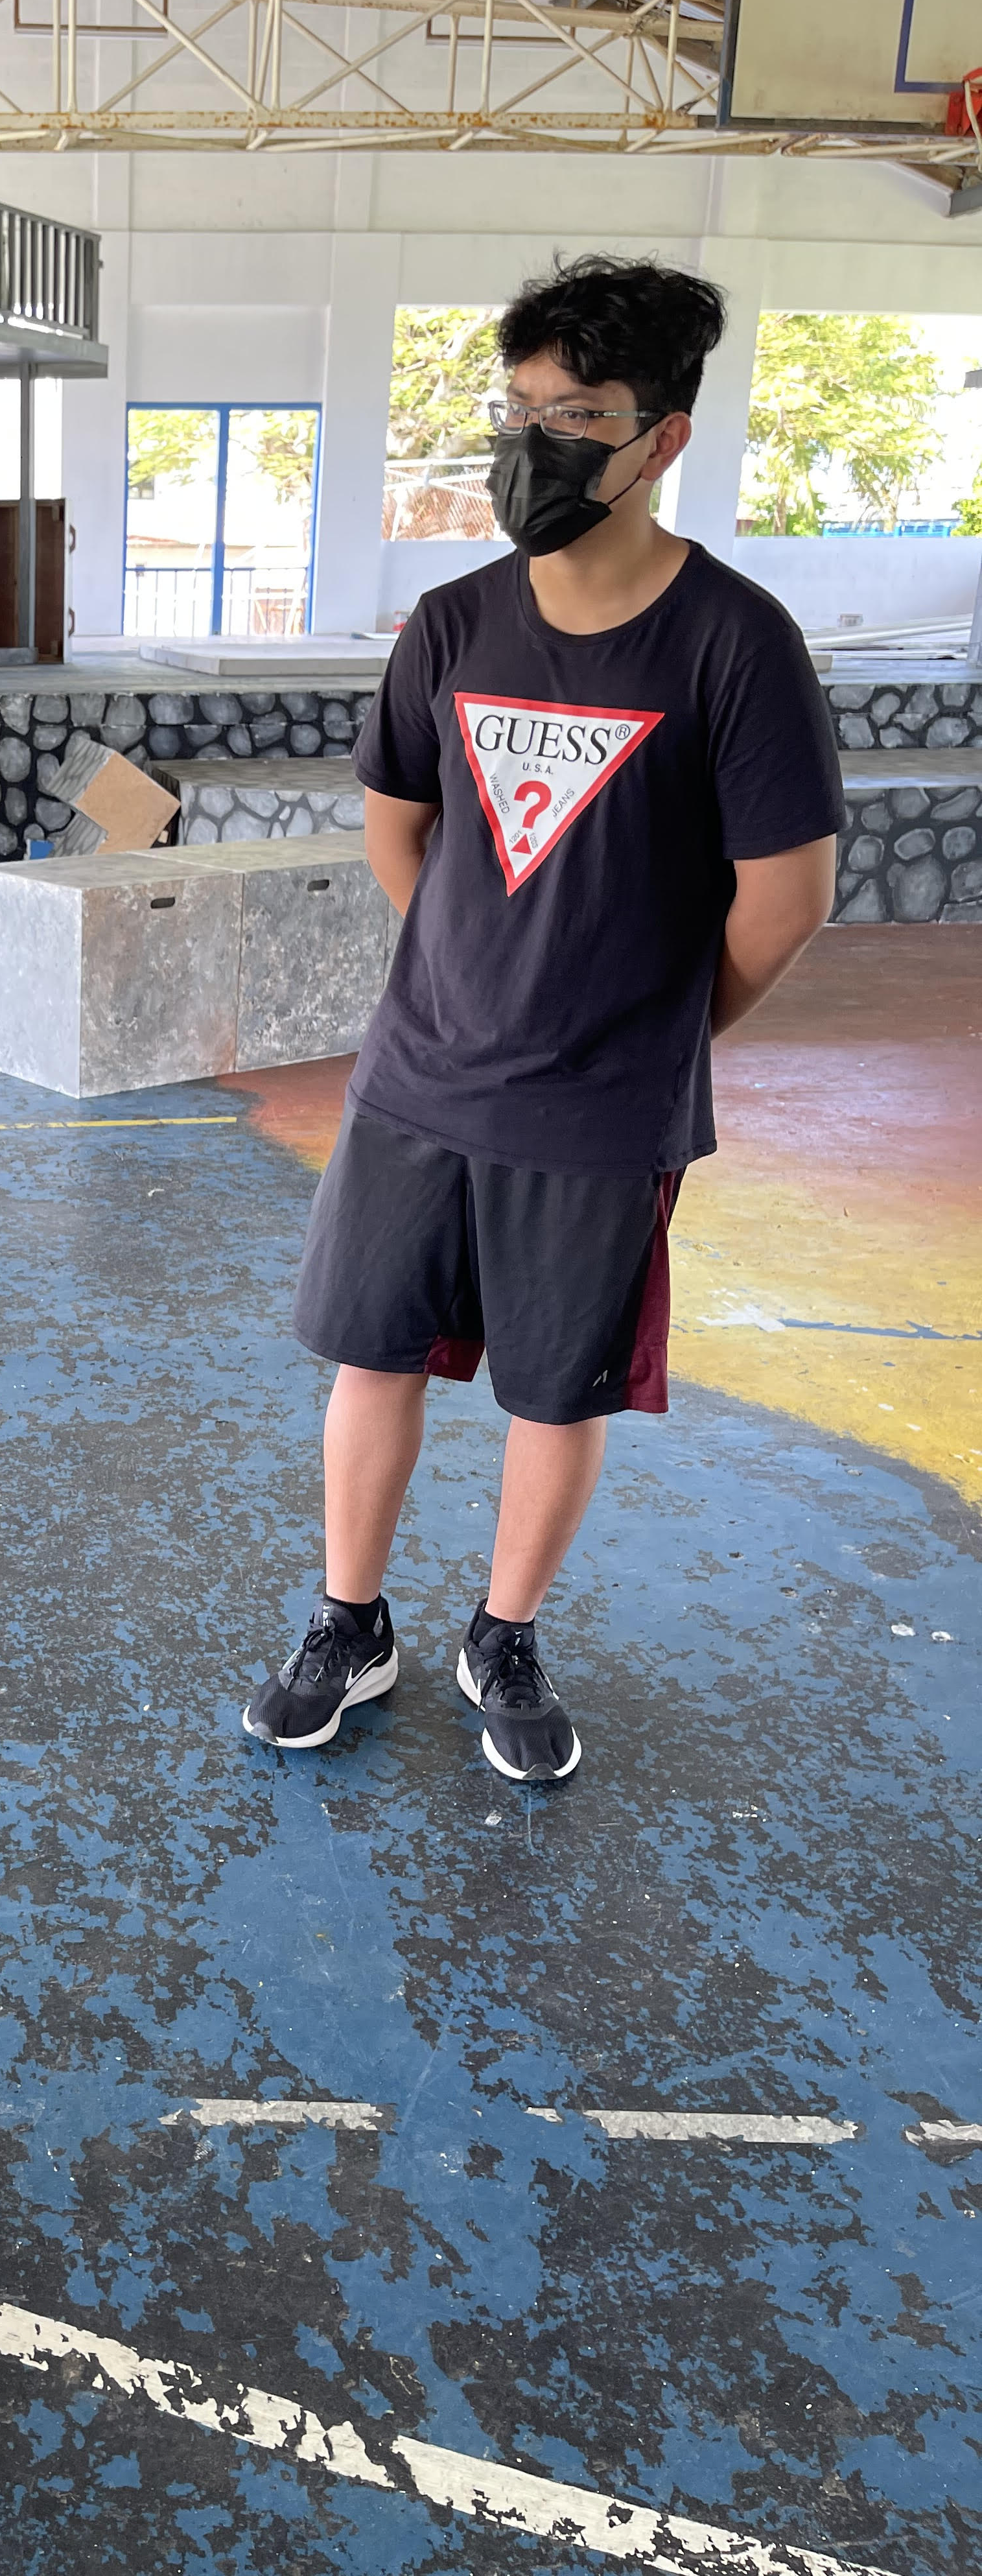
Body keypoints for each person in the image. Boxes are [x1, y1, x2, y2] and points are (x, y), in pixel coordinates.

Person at [244, 255, 843, 1784]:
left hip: (603, 1107)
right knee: (368, 1356)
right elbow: (400, 827)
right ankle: (349, 1620)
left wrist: (642, 1027)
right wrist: (472, 971)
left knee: (553, 1386)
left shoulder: (735, 644)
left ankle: (502, 1635)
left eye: (578, 415)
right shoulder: (450, 626)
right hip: (418, 1083)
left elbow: (782, 900)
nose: (536, 446)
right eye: (518, 409)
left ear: (664, 439)